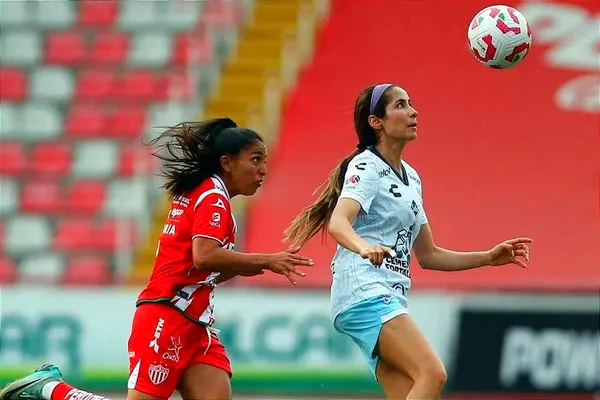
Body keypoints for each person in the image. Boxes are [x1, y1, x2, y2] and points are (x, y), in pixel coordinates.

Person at [1, 118, 314, 400]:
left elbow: (201, 270)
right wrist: (265, 260)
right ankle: (52, 389)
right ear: (227, 163)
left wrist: (247, 265)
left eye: (264, 161)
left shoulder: (204, 193)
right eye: (256, 159)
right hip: (167, 317)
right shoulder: (212, 197)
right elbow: (204, 257)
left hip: (195, 326)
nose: (263, 170)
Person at [283, 84, 532, 400]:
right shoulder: (367, 165)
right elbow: (338, 221)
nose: (413, 112)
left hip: (389, 294)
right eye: (400, 105)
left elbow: (429, 255)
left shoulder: (411, 177)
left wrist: (488, 257)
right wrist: (364, 247)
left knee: (415, 391)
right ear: (377, 122)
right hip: (364, 290)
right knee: (432, 373)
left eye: (411, 104)